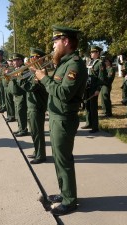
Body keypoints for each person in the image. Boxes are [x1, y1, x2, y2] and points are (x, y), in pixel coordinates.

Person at [35, 25, 88, 215]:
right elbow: (56, 89)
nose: (54, 46)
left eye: (56, 41)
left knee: (64, 160)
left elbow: (64, 93)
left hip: (64, 118)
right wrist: (43, 79)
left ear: (66, 41)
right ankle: (65, 193)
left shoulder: (74, 64)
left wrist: (44, 79)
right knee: (58, 159)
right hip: (58, 116)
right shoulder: (64, 63)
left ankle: (70, 201)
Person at [20, 47, 48, 164]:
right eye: (31, 57)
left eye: (34, 57)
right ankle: (37, 151)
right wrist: (22, 74)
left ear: (40, 59)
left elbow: (30, 87)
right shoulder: (34, 71)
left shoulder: (42, 72)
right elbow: (23, 83)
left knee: (38, 131)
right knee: (33, 131)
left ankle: (41, 155)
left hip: (37, 105)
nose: (31, 59)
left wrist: (26, 80)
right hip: (32, 104)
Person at [81, 45, 107, 133]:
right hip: (87, 87)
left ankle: (95, 126)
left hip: (93, 88)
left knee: (93, 107)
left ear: (98, 53)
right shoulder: (90, 62)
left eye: (93, 52)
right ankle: (89, 123)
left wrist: (98, 89)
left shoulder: (100, 63)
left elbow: (101, 78)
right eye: (91, 52)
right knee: (87, 106)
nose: (91, 54)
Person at [9, 53, 28, 137]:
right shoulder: (16, 69)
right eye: (13, 60)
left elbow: (24, 79)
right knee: (18, 112)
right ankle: (20, 128)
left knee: (21, 112)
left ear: (21, 61)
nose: (14, 62)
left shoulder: (24, 69)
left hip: (21, 94)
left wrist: (16, 76)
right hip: (16, 94)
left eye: (16, 60)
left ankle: (24, 129)